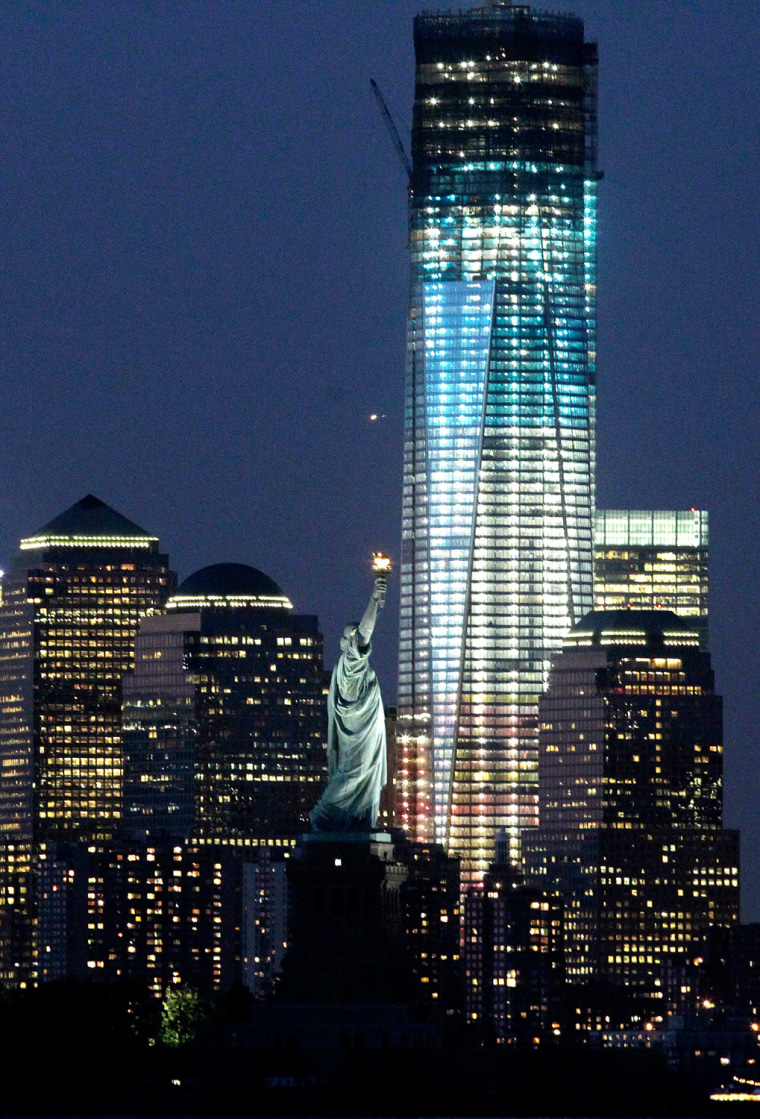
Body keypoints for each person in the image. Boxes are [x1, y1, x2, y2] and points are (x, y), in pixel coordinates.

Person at [310, 574, 387, 832]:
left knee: (364, 781)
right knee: (351, 778)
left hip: (366, 735)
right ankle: (324, 817)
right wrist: (374, 600)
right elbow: (364, 633)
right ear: (347, 644)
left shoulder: (358, 669)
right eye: (351, 637)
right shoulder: (349, 666)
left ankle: (358, 824)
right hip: (356, 740)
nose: (355, 640)